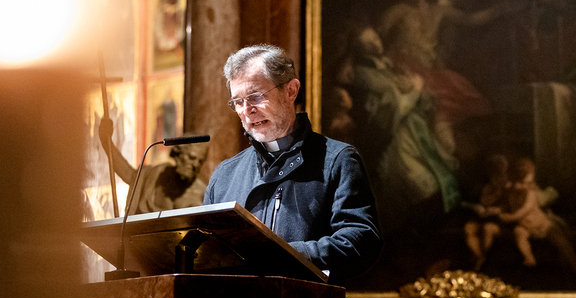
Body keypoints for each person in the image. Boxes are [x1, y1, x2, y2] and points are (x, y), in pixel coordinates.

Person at [204, 44, 383, 282]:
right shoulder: (225, 176)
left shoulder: (337, 160)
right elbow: (206, 253)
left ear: (291, 91)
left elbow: (360, 240)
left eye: (256, 96)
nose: (247, 110)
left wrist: (285, 254)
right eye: (238, 101)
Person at [98, 116, 209, 214]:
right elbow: (128, 174)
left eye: (200, 161)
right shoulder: (155, 175)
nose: (195, 165)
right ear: (178, 154)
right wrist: (107, 143)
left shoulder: (201, 194)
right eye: (192, 158)